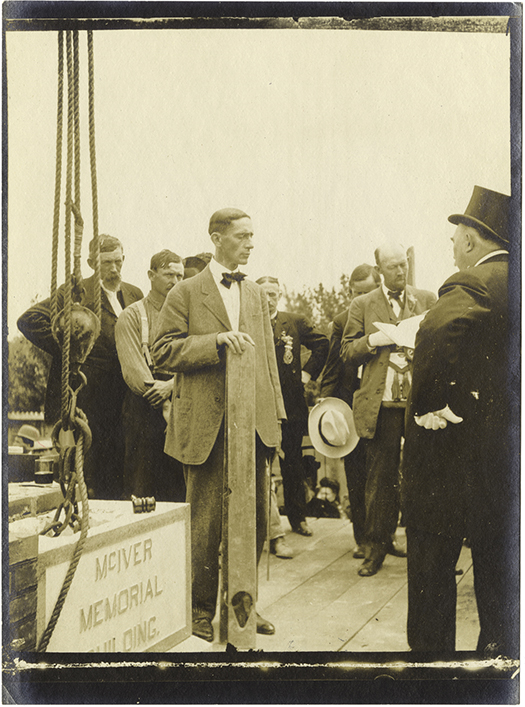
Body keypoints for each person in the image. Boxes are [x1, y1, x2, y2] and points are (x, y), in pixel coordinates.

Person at [152, 208, 285, 643]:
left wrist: (276, 421)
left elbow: (267, 362)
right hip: (207, 429)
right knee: (206, 526)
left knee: (257, 523)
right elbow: (162, 353)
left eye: (253, 235)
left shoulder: (256, 295)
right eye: (242, 236)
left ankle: (243, 605)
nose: (251, 243)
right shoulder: (186, 293)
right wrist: (215, 343)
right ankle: (198, 610)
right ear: (216, 238)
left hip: (253, 429)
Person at [402, 186, 517, 657]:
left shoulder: (470, 281)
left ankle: (433, 678)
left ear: (471, 239)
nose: (451, 248)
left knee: (431, 568)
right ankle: (498, 663)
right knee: (499, 574)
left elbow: (438, 330)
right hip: (505, 458)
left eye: (455, 238)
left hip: (451, 462)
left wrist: (432, 405)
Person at [17, 234, 144, 499]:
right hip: (89, 399)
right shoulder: (75, 292)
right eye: (106, 263)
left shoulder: (133, 294)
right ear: (90, 263)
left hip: (126, 399)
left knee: (124, 470)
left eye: (118, 262)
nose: (114, 269)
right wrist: (73, 349)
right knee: (91, 473)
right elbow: (29, 320)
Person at [340, 243, 436, 576]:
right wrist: (373, 342)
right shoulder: (362, 304)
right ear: (380, 269)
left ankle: (431, 553)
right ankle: (375, 549)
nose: (400, 271)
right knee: (380, 480)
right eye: (393, 266)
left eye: (404, 265)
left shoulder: (426, 299)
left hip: (417, 400)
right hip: (381, 404)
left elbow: (440, 342)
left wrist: (417, 348)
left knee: (424, 475)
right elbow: (347, 351)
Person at [256, 276, 329, 537]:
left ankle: (298, 519)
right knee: (260, 463)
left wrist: (307, 375)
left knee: (293, 462)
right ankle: (264, 525)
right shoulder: (249, 322)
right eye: (263, 294)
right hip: (260, 404)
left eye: (273, 294)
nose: (268, 299)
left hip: (291, 405)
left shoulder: (294, 322)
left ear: (279, 295)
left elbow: (323, 344)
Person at [319, 263, 380, 557]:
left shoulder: (389, 317)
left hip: (383, 405)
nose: (362, 300)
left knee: (383, 474)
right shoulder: (343, 320)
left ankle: (384, 537)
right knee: (355, 475)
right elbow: (332, 364)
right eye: (357, 294)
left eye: (367, 293)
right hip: (350, 406)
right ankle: (362, 539)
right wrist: (324, 400)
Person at [115, 250, 186, 502]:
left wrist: (172, 387)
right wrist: (163, 398)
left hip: (180, 402)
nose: (175, 281)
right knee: (140, 485)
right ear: (151, 275)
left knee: (179, 487)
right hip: (144, 409)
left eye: (180, 275)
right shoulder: (132, 315)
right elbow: (133, 368)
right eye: (169, 275)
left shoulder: (189, 316)